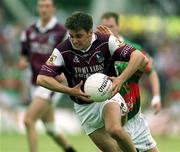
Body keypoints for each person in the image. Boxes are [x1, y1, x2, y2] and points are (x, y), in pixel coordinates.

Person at [37, 11, 148, 152]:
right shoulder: (62, 50)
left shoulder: (107, 41)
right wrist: (70, 91)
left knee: (114, 130)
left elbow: (138, 56)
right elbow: (41, 78)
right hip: (84, 108)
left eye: (79, 36)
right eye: (71, 36)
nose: (74, 40)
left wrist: (120, 79)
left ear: (90, 32)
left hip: (108, 95)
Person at [18, 0, 76, 152]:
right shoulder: (29, 31)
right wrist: (23, 62)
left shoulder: (62, 32)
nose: (43, 9)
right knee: (50, 127)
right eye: (41, 6)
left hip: (50, 82)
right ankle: (70, 149)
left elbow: (69, 55)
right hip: (34, 82)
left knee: (28, 120)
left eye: (47, 6)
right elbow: (24, 55)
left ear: (54, 8)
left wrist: (64, 72)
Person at [100, 12, 161, 114]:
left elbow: (151, 70)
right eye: (105, 27)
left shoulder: (134, 49)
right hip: (107, 105)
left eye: (111, 26)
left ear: (118, 27)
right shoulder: (97, 50)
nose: (108, 30)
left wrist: (156, 96)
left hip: (131, 104)